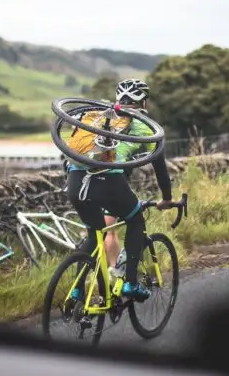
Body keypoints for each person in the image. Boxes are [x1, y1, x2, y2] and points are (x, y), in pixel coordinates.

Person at [64, 78, 173, 301]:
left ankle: (76, 290)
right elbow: (159, 167)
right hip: (109, 182)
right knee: (135, 220)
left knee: (94, 234)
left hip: (75, 180)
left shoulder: (98, 115)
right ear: (144, 102)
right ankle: (131, 283)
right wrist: (167, 198)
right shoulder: (144, 125)